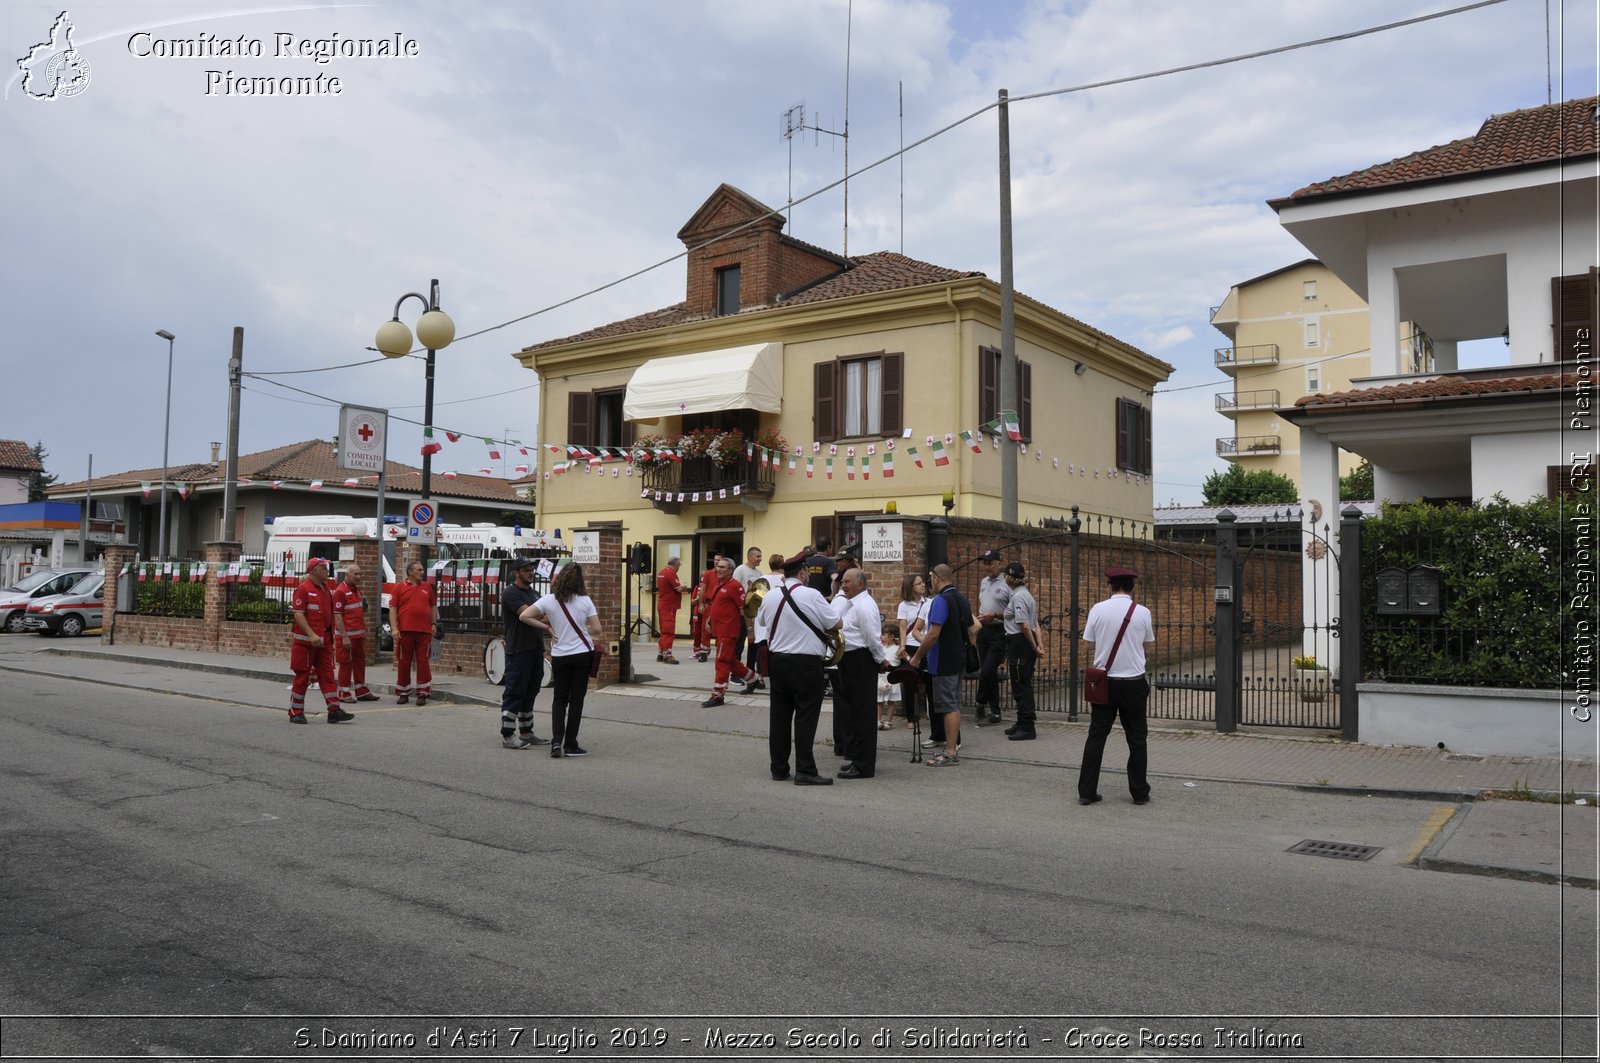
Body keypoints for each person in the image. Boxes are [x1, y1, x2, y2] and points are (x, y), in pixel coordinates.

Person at [754, 549, 842, 786]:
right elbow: (836, 622)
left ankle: (779, 768)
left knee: (779, 716)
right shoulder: (812, 595)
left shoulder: (771, 596)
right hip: (806, 664)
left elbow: (761, 621)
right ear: (803, 573)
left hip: (778, 662)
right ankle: (805, 770)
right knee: (805, 716)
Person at [1077, 565, 1156, 806]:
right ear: (1132, 587)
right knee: (1137, 739)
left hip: (1105, 683)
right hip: (1133, 682)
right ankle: (1139, 792)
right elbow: (1148, 644)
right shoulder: (1142, 612)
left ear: (1110, 586)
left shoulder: (1098, 609)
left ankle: (1087, 792)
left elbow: (1088, 644)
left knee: (1097, 736)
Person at [521, 562, 605, 758]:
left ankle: (556, 741)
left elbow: (524, 616)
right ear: (579, 581)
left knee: (559, 699)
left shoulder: (549, 600)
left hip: (560, 655)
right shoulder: (585, 601)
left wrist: (548, 628)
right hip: (582, 654)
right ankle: (571, 744)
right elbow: (598, 629)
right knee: (576, 700)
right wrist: (585, 628)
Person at [909, 564, 975, 766]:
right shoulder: (961, 599)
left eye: (930, 579)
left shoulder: (940, 600)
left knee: (948, 707)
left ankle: (949, 752)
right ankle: (952, 749)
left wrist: (918, 656)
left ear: (937, 578)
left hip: (944, 660)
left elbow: (933, 634)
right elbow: (973, 630)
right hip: (959, 659)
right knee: (954, 705)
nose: (929, 583)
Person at [834, 566, 890, 780]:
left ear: (860, 584)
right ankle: (856, 758)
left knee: (863, 714)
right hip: (849, 660)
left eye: (847, 582)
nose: (843, 585)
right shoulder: (852, 604)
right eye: (843, 581)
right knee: (853, 713)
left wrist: (880, 659)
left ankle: (864, 766)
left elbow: (872, 639)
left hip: (860, 660)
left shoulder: (865, 606)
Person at [288, 557, 352, 724]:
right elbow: (298, 615)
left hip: (324, 642)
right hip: (306, 643)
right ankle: (296, 711)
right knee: (303, 677)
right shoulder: (303, 589)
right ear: (314, 570)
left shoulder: (325, 589)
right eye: (323, 567)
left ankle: (334, 709)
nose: (327, 570)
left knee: (327, 675)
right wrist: (311, 635)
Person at [498, 556, 550, 749]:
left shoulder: (535, 594)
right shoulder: (511, 593)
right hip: (518, 650)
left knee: (531, 691)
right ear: (516, 573)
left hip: (535, 648)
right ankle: (507, 735)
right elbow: (528, 615)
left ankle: (526, 732)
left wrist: (539, 617)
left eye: (531, 569)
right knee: (515, 692)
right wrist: (539, 616)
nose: (530, 572)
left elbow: (542, 617)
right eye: (526, 569)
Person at [701, 556, 761, 707]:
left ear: (731, 571)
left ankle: (718, 695)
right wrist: (709, 620)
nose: (718, 569)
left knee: (721, 661)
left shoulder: (735, 586)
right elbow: (716, 605)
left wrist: (749, 630)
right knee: (729, 660)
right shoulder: (720, 584)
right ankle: (753, 679)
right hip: (720, 631)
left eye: (722, 567)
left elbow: (744, 609)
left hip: (728, 632)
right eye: (717, 567)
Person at [1000, 561, 1044, 741]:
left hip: (1019, 643)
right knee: (1022, 682)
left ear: (1009, 577)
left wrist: (1034, 647)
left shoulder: (1018, 597)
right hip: (1023, 644)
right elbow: (1036, 624)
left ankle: (1027, 726)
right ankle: (1021, 721)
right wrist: (1039, 645)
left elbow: (1025, 626)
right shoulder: (1026, 595)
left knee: (1021, 685)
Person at [972, 547, 1012, 726]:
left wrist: (995, 615)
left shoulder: (1007, 585)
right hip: (983, 631)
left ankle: (980, 702)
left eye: (990, 563)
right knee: (990, 674)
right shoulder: (983, 582)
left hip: (999, 631)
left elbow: (1013, 611)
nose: (987, 567)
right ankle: (995, 713)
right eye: (985, 563)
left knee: (987, 671)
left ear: (999, 563)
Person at [330, 561, 378, 704]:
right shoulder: (340, 591)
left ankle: (361, 690)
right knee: (346, 663)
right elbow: (337, 615)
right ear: (347, 575)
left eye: (360, 574)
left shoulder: (356, 590)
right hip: (346, 636)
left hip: (357, 635)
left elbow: (357, 614)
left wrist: (362, 634)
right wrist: (344, 637)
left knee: (359, 663)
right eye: (355, 574)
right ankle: (343, 693)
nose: (358, 576)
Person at [392, 560, 438, 705]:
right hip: (405, 630)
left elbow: (433, 606)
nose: (422, 572)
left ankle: (423, 692)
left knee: (423, 662)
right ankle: (403, 692)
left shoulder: (427, 587)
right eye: (419, 570)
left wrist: (434, 623)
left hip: (424, 631)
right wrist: (394, 628)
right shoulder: (399, 587)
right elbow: (393, 609)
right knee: (404, 662)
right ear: (410, 572)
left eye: (422, 569)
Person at [896, 573, 934, 738]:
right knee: (910, 683)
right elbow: (903, 627)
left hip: (925, 644)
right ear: (911, 586)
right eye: (918, 583)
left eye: (922, 583)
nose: (923, 585)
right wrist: (902, 646)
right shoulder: (904, 605)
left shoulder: (930, 602)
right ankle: (910, 717)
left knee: (929, 682)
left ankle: (931, 714)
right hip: (911, 645)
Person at [731, 546, 764, 670]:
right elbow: (734, 589)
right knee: (739, 643)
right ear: (749, 557)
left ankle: (750, 670)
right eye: (758, 556)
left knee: (753, 643)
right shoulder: (740, 570)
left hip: (754, 613)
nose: (760, 559)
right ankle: (735, 672)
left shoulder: (759, 573)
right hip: (741, 613)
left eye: (760, 556)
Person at [655, 556, 684, 664]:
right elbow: (678, 588)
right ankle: (668, 654)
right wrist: (685, 587)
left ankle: (661, 653)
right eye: (679, 566)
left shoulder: (661, 572)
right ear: (675, 565)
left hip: (662, 604)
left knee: (663, 630)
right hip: (669, 606)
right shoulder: (671, 573)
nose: (679, 568)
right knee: (669, 631)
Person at [690, 556, 718, 662]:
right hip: (709, 605)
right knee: (705, 630)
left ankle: (720, 651)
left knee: (719, 630)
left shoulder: (726, 574)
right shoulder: (708, 574)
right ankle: (704, 652)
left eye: (718, 560)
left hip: (720, 605)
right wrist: (701, 604)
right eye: (715, 560)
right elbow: (702, 590)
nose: (716, 562)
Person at [877, 622, 902, 729]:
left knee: (891, 701)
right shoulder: (881, 647)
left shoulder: (897, 649)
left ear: (891, 637)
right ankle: (878, 720)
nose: (881, 637)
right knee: (879, 700)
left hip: (892, 678)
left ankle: (889, 721)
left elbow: (903, 660)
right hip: (882, 677)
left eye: (883, 634)